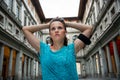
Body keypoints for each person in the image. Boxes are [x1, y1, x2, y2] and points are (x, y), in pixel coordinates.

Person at [22, 17, 93, 80]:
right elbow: (25, 29)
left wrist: (66, 23)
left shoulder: (72, 48)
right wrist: (48, 25)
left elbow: (88, 29)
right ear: (50, 33)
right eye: (53, 29)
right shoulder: (43, 49)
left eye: (60, 28)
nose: (56, 30)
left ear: (65, 32)